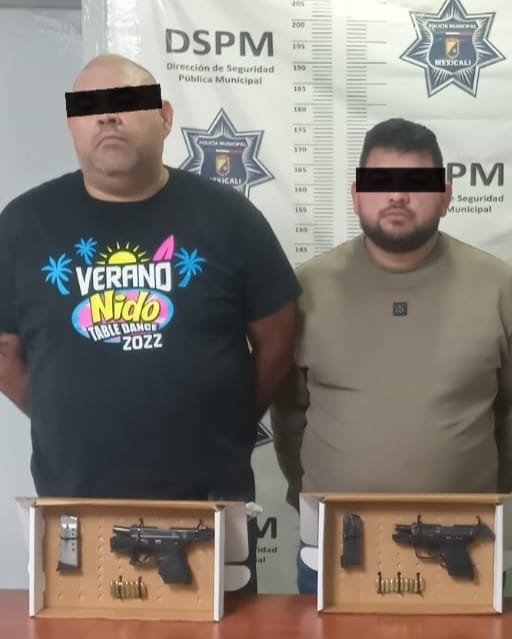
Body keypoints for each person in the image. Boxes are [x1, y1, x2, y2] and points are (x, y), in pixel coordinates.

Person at [0, 54, 300, 591]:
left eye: (126, 103)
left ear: (164, 117)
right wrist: (58, 412)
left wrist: (228, 415)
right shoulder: (22, 224)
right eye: (89, 108)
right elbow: (4, 352)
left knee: (223, 626)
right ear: (72, 125)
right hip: (76, 508)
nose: (107, 117)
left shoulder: (230, 218)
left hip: (208, 504)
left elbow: (278, 332)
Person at [271, 117, 512, 592]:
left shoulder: (499, 288)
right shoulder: (306, 289)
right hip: (335, 544)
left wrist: (477, 494)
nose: (397, 196)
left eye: (416, 182)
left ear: (446, 196)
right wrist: (310, 491)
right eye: (381, 182)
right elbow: (289, 412)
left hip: (463, 542)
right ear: (356, 195)